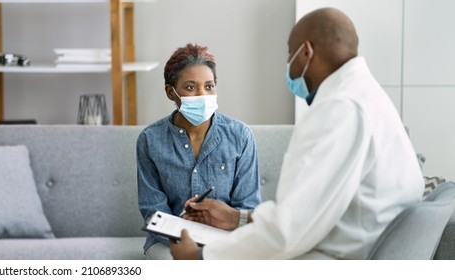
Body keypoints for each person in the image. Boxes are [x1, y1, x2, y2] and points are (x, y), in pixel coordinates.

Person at [170, 7, 424, 260]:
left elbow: (287, 233)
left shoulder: (338, 108)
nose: (288, 66)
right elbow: (313, 211)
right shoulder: (366, 95)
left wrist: (199, 258)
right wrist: (241, 218)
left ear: (306, 52)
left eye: (290, 54)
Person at [137, 43, 261, 260]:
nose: (203, 95)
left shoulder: (240, 136)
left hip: (226, 240)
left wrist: (211, 248)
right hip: (169, 242)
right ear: (171, 92)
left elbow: (248, 205)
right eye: (191, 87)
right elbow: (153, 212)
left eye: (209, 86)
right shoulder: (150, 140)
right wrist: (189, 245)